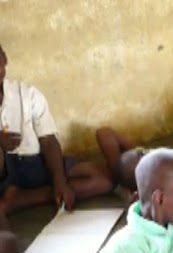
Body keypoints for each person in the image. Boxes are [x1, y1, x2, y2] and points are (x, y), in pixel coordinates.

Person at [0, 44, 111, 214]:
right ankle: (19, 194)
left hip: (36, 163)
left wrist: (59, 181)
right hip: (4, 173)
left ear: (5, 59)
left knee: (103, 180)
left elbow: (48, 140)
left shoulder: (28, 94)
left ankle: (19, 199)